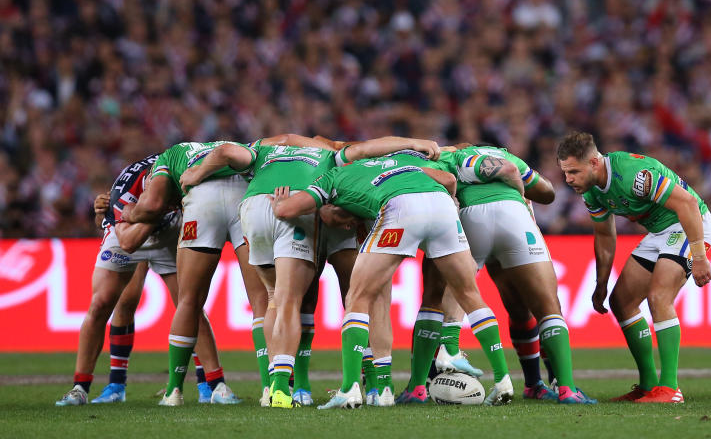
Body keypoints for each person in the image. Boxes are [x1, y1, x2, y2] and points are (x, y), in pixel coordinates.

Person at [177, 135, 440, 408]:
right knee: (362, 297)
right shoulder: (332, 156)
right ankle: (375, 386)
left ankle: (286, 386)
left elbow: (228, 151)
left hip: (268, 208)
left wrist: (195, 174)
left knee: (279, 298)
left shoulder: (265, 152)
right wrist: (411, 143)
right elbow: (362, 149)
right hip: (322, 212)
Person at [273, 151, 515, 408]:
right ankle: (503, 380)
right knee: (469, 294)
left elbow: (293, 209)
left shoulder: (334, 175)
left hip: (400, 209)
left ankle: (350, 389)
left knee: (358, 297)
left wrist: (278, 205)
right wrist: (451, 199)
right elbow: (448, 179)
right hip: (442, 205)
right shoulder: (407, 161)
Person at [419, 144, 595, 404]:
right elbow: (547, 193)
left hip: (470, 219)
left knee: (452, 293)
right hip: (515, 218)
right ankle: (562, 387)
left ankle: (431, 371)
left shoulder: (450, 156)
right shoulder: (504, 155)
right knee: (546, 307)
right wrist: (522, 191)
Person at [557, 131, 711, 404]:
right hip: (659, 232)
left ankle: (670, 388)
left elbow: (687, 204)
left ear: (594, 163)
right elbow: (605, 236)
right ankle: (648, 384)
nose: (568, 179)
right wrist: (601, 283)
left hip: (688, 224)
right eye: (565, 172)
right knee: (621, 302)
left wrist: (699, 256)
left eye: (573, 171)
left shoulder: (634, 174)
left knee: (659, 296)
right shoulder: (591, 191)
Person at [55, 155, 224, 406]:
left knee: (189, 306)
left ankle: (210, 384)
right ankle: (85, 387)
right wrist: (109, 212)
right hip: (127, 232)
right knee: (104, 303)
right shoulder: (124, 189)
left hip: (167, 234)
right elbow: (119, 233)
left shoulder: (184, 174)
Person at [123, 141, 266, 406]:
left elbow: (152, 204)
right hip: (244, 200)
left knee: (188, 302)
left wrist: (132, 212)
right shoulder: (238, 146)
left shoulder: (168, 157)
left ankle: (173, 391)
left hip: (202, 204)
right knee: (262, 301)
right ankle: (271, 389)